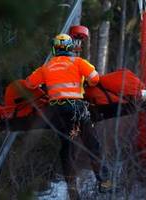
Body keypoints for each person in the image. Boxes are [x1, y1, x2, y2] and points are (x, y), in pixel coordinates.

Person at [25, 33, 111, 197]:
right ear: (70, 48)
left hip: (58, 111)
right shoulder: (79, 62)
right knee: (92, 144)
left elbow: (29, 83)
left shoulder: (47, 67)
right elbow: (95, 79)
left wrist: (47, 85)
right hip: (78, 108)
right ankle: (105, 182)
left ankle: (73, 190)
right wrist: (83, 81)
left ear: (55, 49)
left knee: (67, 149)